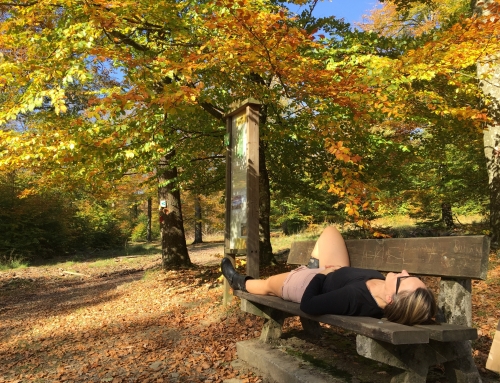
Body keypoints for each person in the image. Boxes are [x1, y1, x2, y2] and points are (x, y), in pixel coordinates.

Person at [221, 226, 437, 326]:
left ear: (391, 299)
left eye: (404, 279)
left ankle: (238, 282)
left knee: (268, 284)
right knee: (330, 231)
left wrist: (321, 275)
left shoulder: (353, 298)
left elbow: (309, 305)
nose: (404, 272)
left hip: (310, 284)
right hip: (334, 273)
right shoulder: (381, 288)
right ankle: (312, 267)